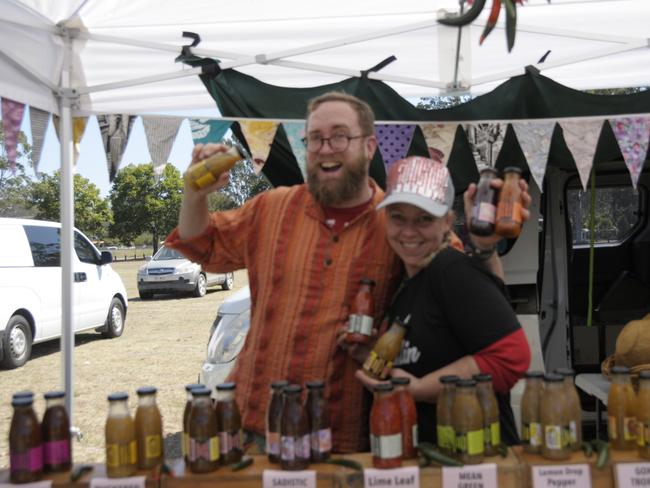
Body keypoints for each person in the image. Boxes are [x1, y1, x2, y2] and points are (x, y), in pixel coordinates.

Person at [165, 92, 530, 452]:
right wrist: (194, 194)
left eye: (340, 135)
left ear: (370, 147)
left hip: (341, 437)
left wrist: (486, 245)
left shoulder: (398, 223)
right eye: (314, 138)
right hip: (252, 423)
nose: (326, 147)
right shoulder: (269, 209)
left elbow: (472, 286)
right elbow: (205, 246)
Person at [355, 156, 531, 445]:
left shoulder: (449, 270)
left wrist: (418, 389)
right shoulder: (408, 283)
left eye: (424, 218)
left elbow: (512, 358)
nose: (409, 231)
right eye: (398, 217)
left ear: (447, 221)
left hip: (476, 464)